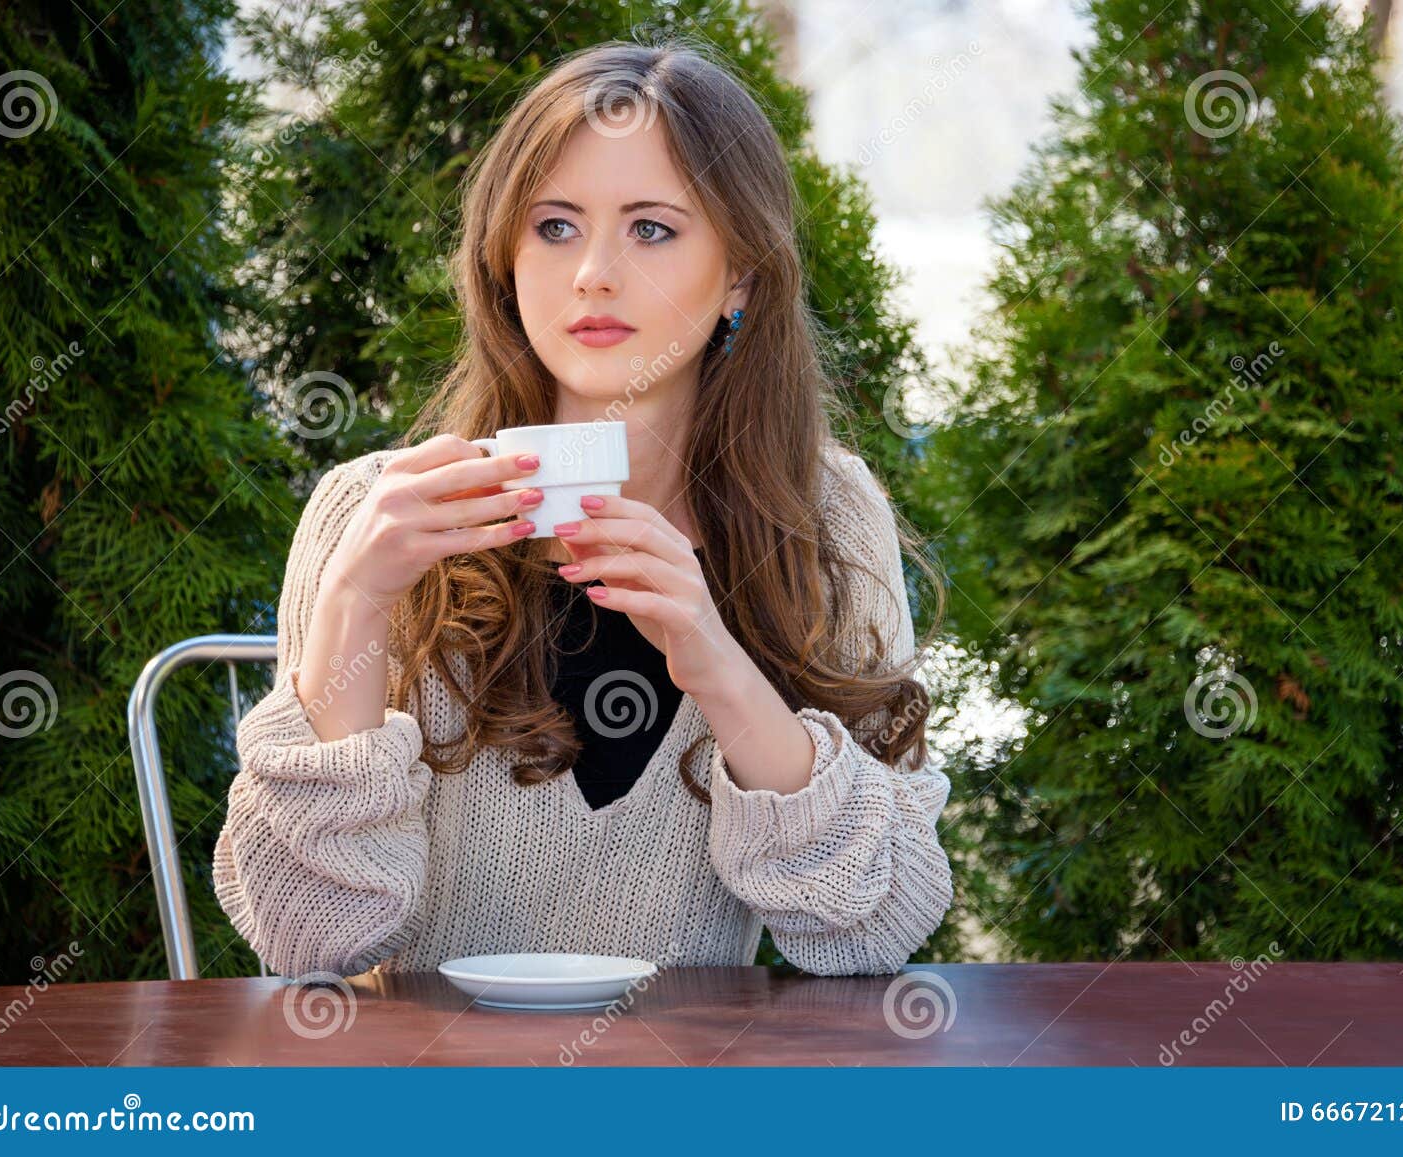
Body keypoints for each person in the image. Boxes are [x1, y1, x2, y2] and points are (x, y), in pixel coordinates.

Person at [212, 36, 954, 980]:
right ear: (505, 258)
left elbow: (872, 929)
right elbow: (310, 940)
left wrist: (717, 664)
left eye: (651, 228)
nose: (594, 272)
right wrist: (355, 604)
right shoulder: (372, 512)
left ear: (742, 275)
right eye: (555, 226)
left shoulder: (827, 515)